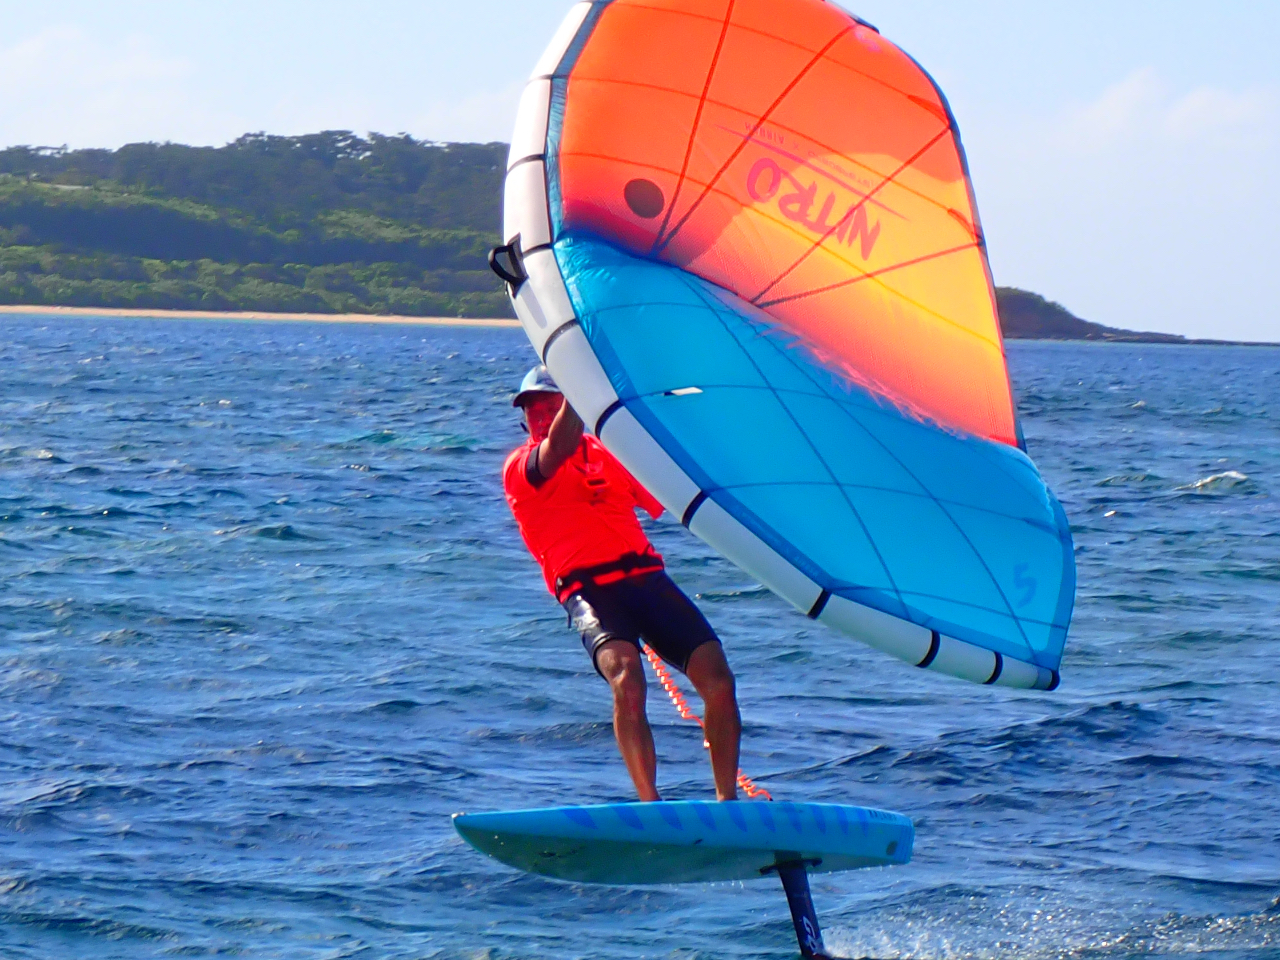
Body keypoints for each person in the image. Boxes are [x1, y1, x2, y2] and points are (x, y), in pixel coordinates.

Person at [502, 365, 742, 802]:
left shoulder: (608, 450)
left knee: (718, 679)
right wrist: (579, 379)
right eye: (531, 410)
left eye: (549, 405)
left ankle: (728, 803)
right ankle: (651, 805)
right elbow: (559, 445)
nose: (540, 415)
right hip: (590, 590)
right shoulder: (522, 468)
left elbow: (667, 488)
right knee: (627, 679)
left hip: (645, 579)